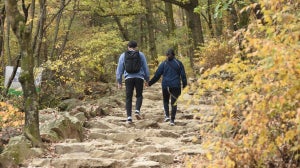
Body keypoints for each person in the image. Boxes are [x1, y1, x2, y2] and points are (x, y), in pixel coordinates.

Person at [148, 48, 187, 126]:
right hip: (176, 85)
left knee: (166, 101)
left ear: (166, 55)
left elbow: (157, 75)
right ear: (174, 55)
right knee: (174, 103)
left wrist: (150, 83)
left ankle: (167, 116)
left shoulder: (163, 64)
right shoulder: (179, 63)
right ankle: (172, 120)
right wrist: (185, 86)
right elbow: (183, 76)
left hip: (166, 85)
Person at [116, 41, 150, 124]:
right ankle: (137, 111)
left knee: (128, 97)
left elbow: (119, 69)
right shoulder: (141, 55)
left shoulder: (123, 55)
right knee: (139, 95)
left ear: (128, 47)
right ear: (136, 47)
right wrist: (147, 79)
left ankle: (129, 117)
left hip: (128, 78)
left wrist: (119, 81)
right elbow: (145, 67)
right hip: (139, 78)